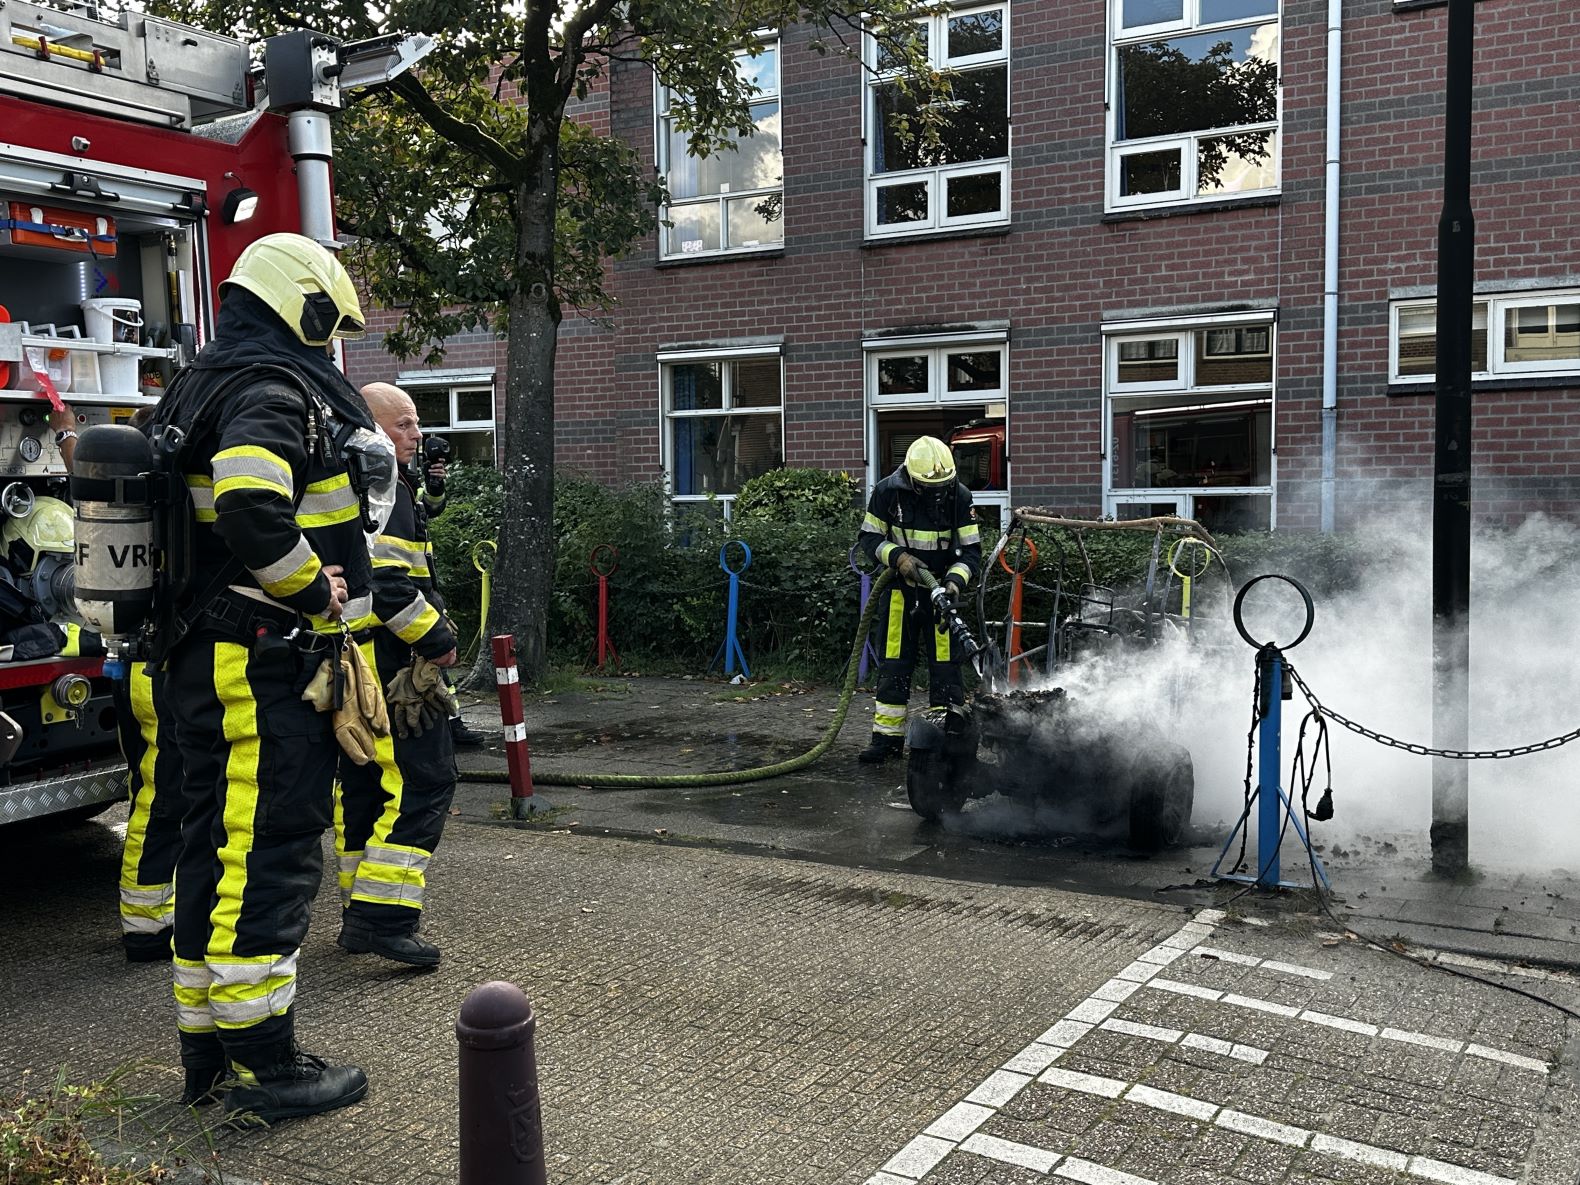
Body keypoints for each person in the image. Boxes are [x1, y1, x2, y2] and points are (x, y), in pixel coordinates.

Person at [152, 232, 381, 1121]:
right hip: (255, 656)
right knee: (269, 847)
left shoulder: (202, 381)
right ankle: (266, 1066)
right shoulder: (270, 388)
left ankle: (207, 1054)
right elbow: (251, 505)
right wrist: (313, 587)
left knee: (211, 845)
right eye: (327, 323)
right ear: (298, 303)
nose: (329, 343)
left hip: (206, 654)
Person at [334, 382, 458, 967]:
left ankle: (358, 909)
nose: (417, 435)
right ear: (372, 427)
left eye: (416, 423)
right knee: (423, 782)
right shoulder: (381, 486)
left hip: (357, 664)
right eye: (403, 424)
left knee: (364, 787)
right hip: (394, 666)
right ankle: (384, 919)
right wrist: (439, 643)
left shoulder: (361, 484)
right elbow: (388, 585)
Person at [53, 402, 181, 961]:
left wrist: (67, 435)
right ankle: (147, 925)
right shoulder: (168, 497)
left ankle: (152, 916)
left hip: (130, 663)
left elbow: (79, 471)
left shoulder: (115, 498)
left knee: (150, 791)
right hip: (159, 669)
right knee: (164, 794)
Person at [855, 436, 982, 764]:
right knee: (894, 667)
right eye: (930, 486)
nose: (937, 492)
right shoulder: (888, 492)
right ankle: (887, 741)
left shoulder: (959, 496)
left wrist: (954, 582)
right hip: (901, 593)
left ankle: (944, 743)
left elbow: (971, 553)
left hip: (942, 599)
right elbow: (869, 537)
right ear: (912, 479)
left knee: (946, 672)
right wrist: (898, 558)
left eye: (942, 485)